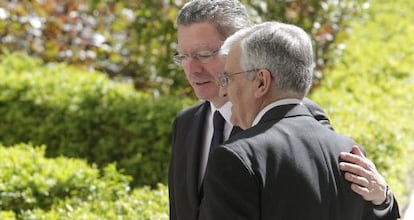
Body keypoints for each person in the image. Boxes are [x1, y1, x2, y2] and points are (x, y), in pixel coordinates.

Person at [168, 0, 399, 219]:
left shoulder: (307, 118)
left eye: (205, 55)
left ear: (239, 46)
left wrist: (383, 198)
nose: (192, 68)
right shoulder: (186, 123)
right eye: (183, 56)